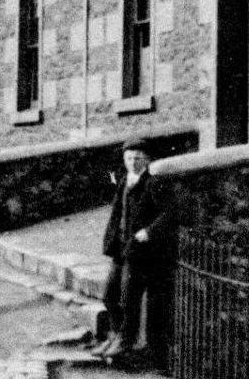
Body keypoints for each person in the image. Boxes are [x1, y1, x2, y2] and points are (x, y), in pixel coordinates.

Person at [91, 138, 175, 367]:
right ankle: (115, 336)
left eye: (138, 158)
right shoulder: (124, 182)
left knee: (129, 299)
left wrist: (149, 232)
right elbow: (116, 214)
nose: (133, 162)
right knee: (109, 295)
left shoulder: (153, 183)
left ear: (148, 160)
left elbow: (170, 213)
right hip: (121, 249)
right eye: (129, 158)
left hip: (140, 252)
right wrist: (111, 240)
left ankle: (125, 341)